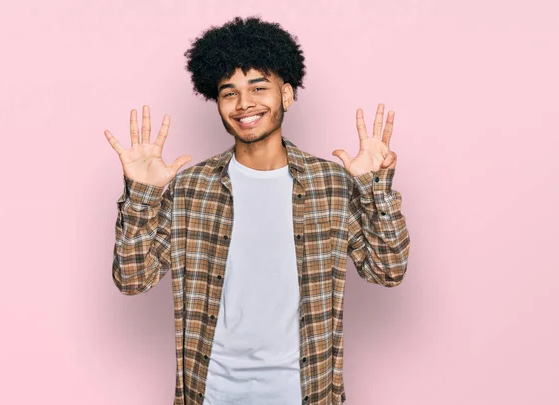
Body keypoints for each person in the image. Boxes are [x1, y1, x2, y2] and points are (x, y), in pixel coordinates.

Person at [104, 15, 410, 405]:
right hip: (211, 392)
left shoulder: (330, 184)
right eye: (228, 92)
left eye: (258, 87)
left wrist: (374, 189)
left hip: (305, 392)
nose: (244, 103)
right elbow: (133, 279)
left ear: (286, 95)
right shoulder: (190, 188)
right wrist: (142, 194)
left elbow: (388, 270)